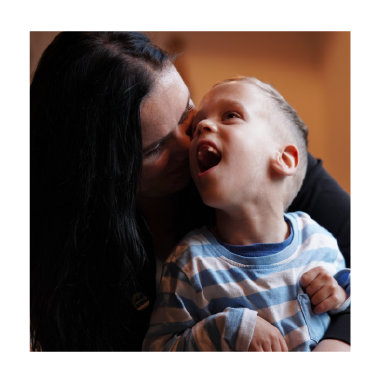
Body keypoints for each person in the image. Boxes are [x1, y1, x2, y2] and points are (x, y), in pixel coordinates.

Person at [29, 32, 351, 352]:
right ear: (104, 179)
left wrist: (338, 340)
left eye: (187, 115)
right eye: (155, 148)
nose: (192, 141)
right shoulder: (185, 266)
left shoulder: (267, 161)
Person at [142, 77, 351, 352]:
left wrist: (339, 296)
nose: (202, 126)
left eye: (230, 115)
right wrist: (224, 329)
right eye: (196, 127)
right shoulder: (189, 264)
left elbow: (349, 293)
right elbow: (158, 351)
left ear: (284, 159)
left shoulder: (319, 241)